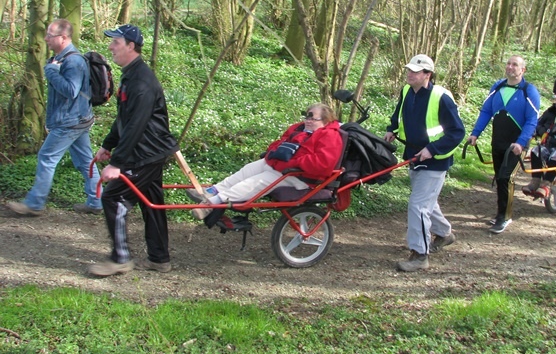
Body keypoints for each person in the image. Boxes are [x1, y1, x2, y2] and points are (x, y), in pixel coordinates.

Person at [88, 24, 179, 277]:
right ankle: (159, 259)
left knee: (113, 198)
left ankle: (120, 259)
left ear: (130, 46)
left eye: (115, 42)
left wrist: (117, 163)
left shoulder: (141, 82)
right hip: (149, 150)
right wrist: (107, 145)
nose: (110, 47)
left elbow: (136, 126)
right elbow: (124, 119)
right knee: (152, 203)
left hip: (145, 153)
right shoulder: (131, 75)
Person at [186, 103, 344, 224]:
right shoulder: (299, 129)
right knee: (248, 170)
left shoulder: (329, 136)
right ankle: (213, 190)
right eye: (306, 117)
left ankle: (211, 204)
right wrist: (274, 154)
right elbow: (280, 142)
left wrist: (291, 162)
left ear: (325, 120)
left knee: (255, 182)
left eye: (312, 118)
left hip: (300, 176)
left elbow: (322, 163)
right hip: (280, 166)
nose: (308, 121)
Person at [7, 19, 102, 217]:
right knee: (85, 161)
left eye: (50, 35)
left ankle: (34, 203)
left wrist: (50, 72)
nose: (46, 39)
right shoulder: (61, 58)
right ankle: (96, 201)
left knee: (46, 157)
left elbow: (71, 90)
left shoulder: (73, 61)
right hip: (78, 118)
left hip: (70, 122)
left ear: (64, 37)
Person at [383, 55, 465, 272]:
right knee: (427, 202)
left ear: (427, 75)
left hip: (435, 161)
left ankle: (420, 254)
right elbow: (398, 114)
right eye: (408, 70)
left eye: (415, 71)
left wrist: (432, 149)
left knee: (418, 205)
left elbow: (457, 132)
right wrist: (392, 129)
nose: (409, 74)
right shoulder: (406, 91)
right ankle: (445, 234)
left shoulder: (441, 97)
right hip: (413, 156)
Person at [467, 55, 540, 234]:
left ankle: (505, 217)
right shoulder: (498, 87)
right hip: (498, 140)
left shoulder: (528, 91)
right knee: (499, 177)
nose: (510, 67)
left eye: (515, 65)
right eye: (508, 63)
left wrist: (521, 143)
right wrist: (475, 133)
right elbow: (486, 111)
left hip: (516, 143)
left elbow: (532, 120)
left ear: (522, 70)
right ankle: (500, 213)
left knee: (506, 178)